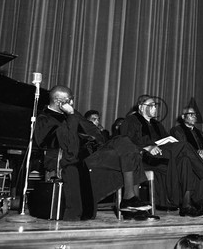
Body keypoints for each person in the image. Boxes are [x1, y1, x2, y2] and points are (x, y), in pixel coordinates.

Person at [34, 85, 150, 221]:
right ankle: (130, 201)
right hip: (76, 159)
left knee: (125, 143)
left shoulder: (73, 113)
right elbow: (65, 142)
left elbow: (94, 132)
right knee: (129, 152)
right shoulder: (44, 119)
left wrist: (99, 142)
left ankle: (130, 200)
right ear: (59, 101)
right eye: (70, 100)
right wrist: (71, 116)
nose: (72, 103)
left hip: (93, 153)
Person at [120, 95, 203, 217]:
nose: (154, 108)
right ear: (141, 107)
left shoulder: (157, 124)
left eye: (155, 106)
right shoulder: (131, 120)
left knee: (185, 160)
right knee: (184, 146)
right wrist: (146, 147)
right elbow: (126, 143)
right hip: (144, 156)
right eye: (151, 105)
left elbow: (166, 140)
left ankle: (186, 205)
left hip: (162, 154)